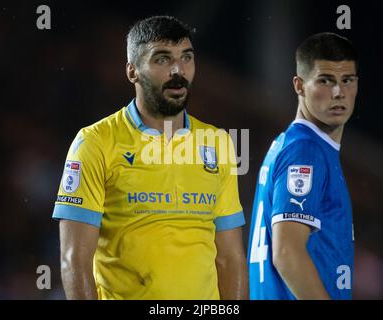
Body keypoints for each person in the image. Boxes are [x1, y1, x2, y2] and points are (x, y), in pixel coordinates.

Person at [52, 15, 248, 300]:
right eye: (162, 60)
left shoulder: (217, 143)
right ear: (132, 71)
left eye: (186, 58)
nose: (178, 70)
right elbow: (74, 260)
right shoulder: (95, 143)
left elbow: (230, 258)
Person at [247, 32, 358, 299]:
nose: (338, 92)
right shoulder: (305, 150)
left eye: (347, 80)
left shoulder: (292, 144)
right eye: (325, 80)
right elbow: (287, 253)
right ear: (299, 85)